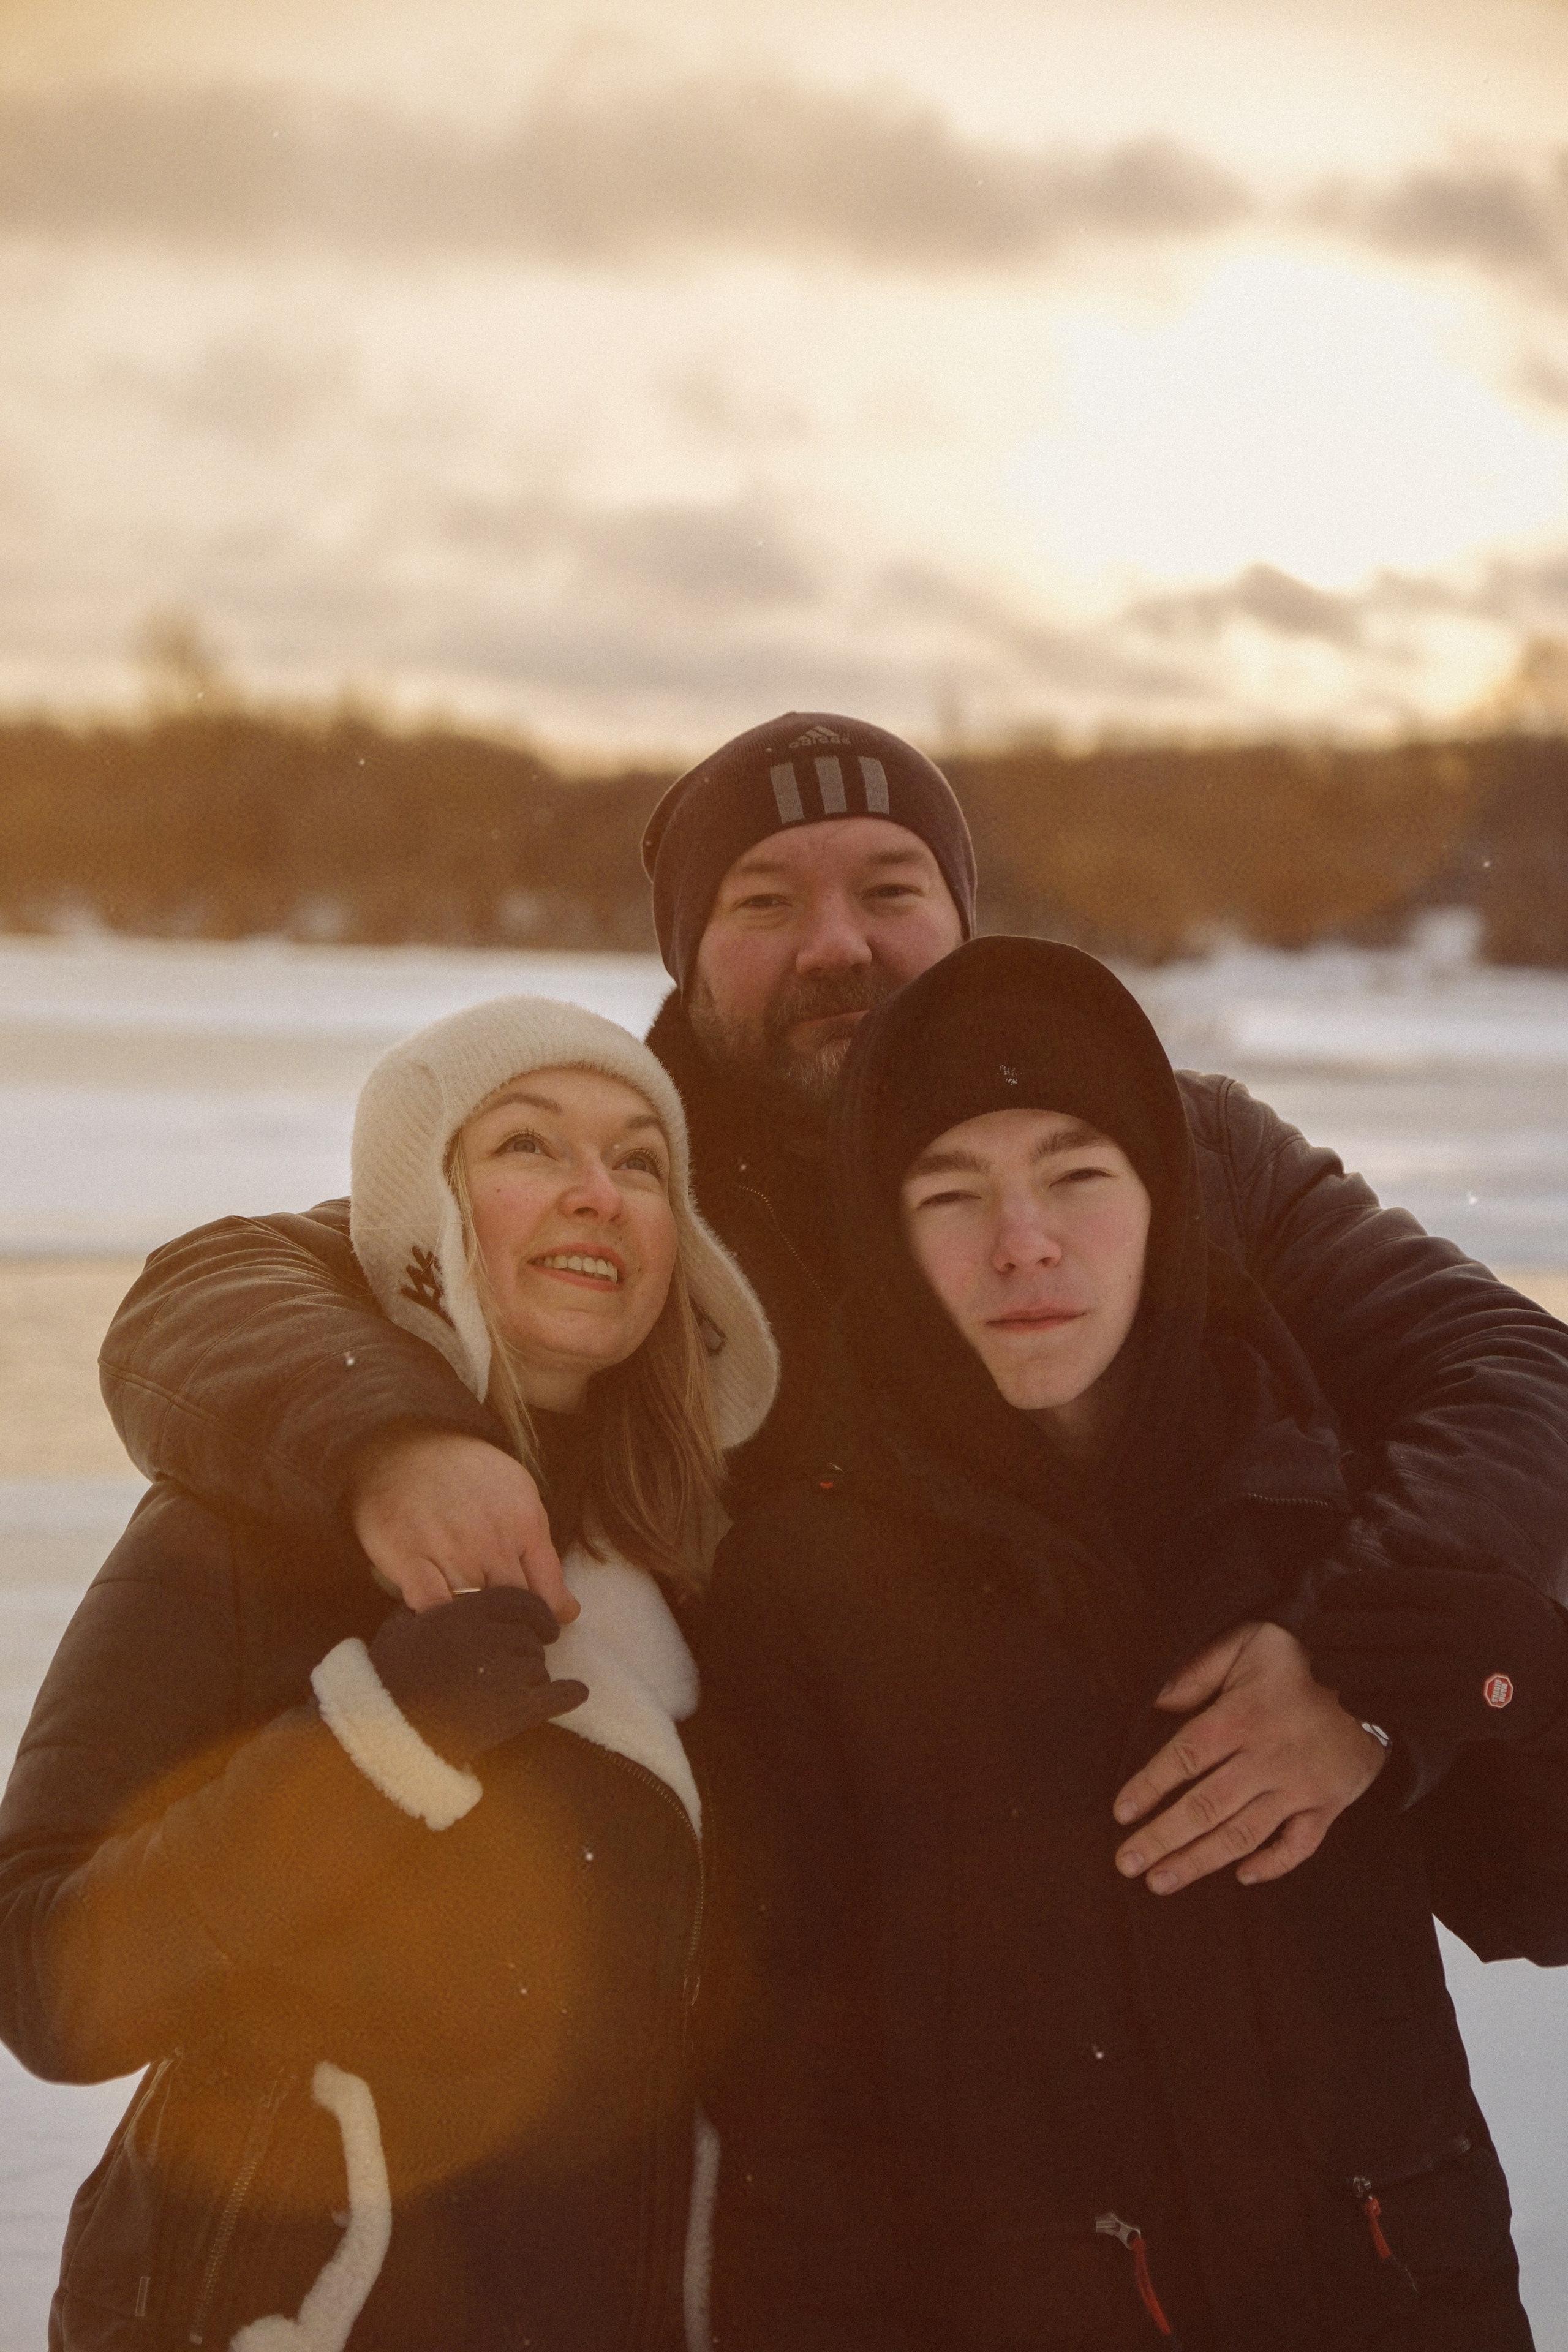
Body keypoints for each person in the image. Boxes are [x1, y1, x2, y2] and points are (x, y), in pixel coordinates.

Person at [97, 712, 1568, 1894]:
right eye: (765, 901)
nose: (834, 945)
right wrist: (394, 1442)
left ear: (959, 917)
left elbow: (1507, 1367)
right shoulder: (637, 1185)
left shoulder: (1176, 1151)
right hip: (814, 2032)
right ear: (685, 953)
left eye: (887, 890)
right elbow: (219, 1287)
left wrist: (1366, 1663)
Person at [695, 937, 1568, 2352]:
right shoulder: (804, 1587)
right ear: (886, 1238)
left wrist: (1512, 1691)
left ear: (1167, 1203)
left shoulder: (1323, 1505)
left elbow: (1539, 1900)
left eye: (1076, 1176)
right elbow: (798, 2109)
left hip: (1401, 2299)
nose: (1021, 1241)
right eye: (949, 1193)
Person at [0, 995, 776, 2352]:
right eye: (528, 1147)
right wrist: (377, 1743)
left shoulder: (714, 1558)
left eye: (640, 1162)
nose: (595, 1194)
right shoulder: (243, 1529)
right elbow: (52, 1979)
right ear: (429, 1209)